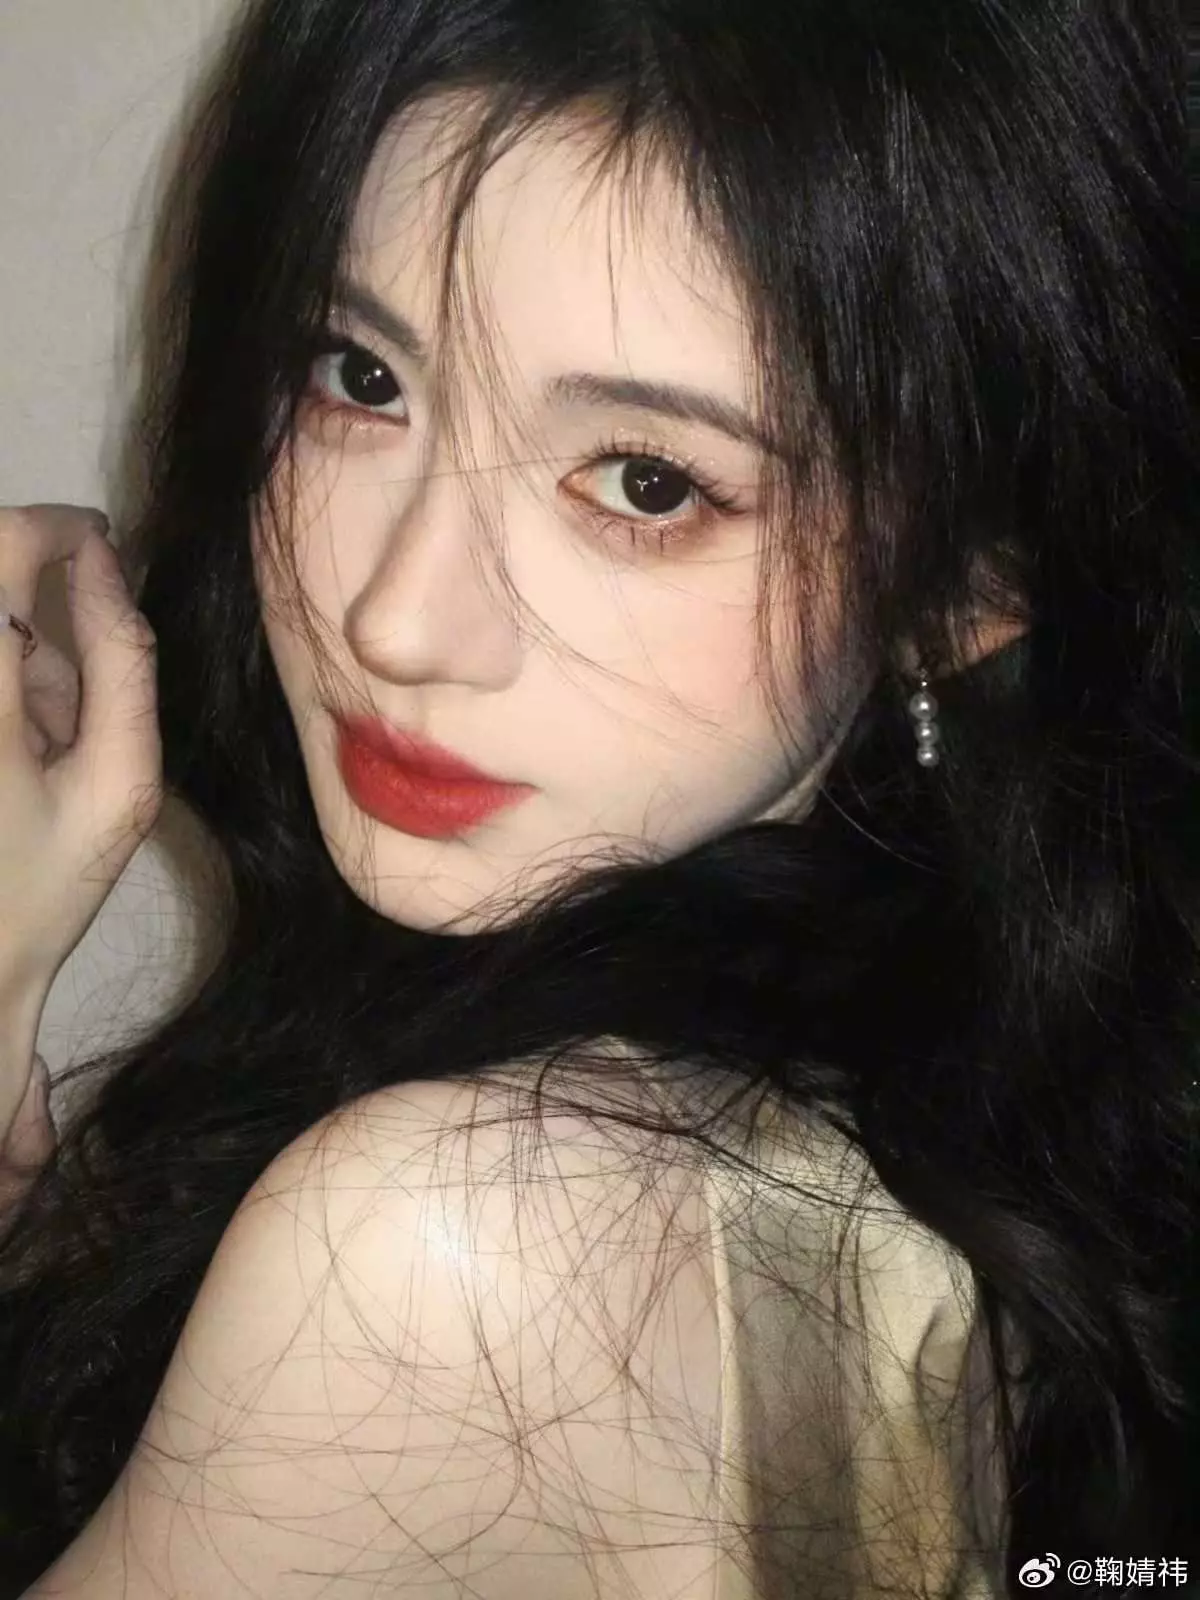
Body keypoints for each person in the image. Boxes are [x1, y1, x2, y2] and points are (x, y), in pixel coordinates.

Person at [0, 0, 1195, 1594]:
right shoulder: (969, 1112)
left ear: (965, 589)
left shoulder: (457, 1246)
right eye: (362, 376)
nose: (396, 621)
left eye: (647, 483)